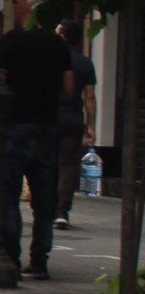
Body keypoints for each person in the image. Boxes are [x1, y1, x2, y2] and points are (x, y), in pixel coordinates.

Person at [0, 0, 72, 280]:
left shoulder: (11, 42)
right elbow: (67, 88)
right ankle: (39, 260)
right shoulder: (58, 45)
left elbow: (1, 79)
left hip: (16, 124)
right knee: (44, 199)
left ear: (23, 8)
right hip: (47, 125)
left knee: (9, 195)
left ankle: (11, 257)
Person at [54, 18, 98, 229]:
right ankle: (62, 212)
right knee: (68, 166)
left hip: (51, 117)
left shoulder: (51, 59)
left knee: (49, 162)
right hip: (73, 120)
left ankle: (48, 207)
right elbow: (90, 97)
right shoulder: (85, 62)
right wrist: (91, 126)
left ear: (62, 36)